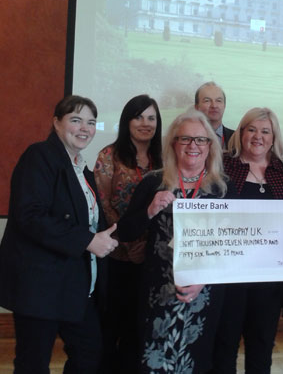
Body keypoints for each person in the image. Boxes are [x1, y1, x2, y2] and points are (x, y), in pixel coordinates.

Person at [0, 95, 118, 374]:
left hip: (74, 287)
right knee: (33, 363)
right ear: (56, 122)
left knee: (90, 353)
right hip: (40, 286)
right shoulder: (39, 156)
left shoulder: (82, 169)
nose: (84, 128)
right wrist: (89, 241)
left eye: (91, 122)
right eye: (75, 120)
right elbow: (30, 216)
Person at [117, 109, 232, 373]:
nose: (193, 145)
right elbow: (124, 232)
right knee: (153, 359)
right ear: (173, 143)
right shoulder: (153, 182)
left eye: (201, 140)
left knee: (197, 359)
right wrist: (149, 210)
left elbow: (230, 246)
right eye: (185, 139)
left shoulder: (223, 188)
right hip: (159, 291)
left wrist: (203, 279)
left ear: (210, 146)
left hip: (204, 292)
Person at [210, 107, 283, 374]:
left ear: (274, 138)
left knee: (262, 346)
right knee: (224, 345)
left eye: (265, 131)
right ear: (240, 133)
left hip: (270, 280)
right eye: (251, 129)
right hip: (229, 276)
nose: (258, 136)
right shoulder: (222, 166)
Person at [94, 94, 163, 373]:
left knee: (140, 331)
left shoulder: (164, 159)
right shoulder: (109, 155)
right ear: (126, 121)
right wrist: (129, 241)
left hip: (152, 261)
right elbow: (103, 203)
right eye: (138, 116)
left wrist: (144, 244)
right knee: (110, 329)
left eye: (151, 118)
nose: (145, 123)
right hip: (116, 257)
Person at [195, 81, 234, 149]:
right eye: (207, 100)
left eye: (218, 101)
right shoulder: (187, 138)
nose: (214, 105)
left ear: (224, 106)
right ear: (197, 107)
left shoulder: (236, 138)